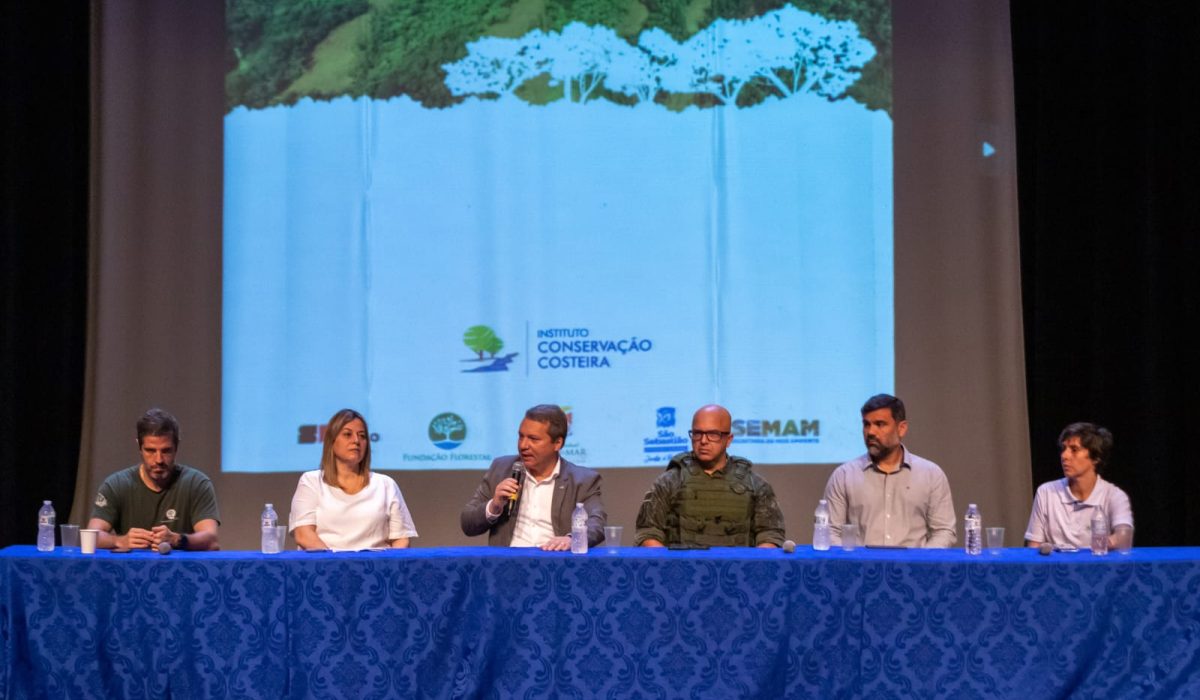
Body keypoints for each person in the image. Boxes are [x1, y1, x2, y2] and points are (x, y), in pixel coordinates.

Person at [635, 404, 785, 548]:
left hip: (738, 570)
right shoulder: (669, 481)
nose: (703, 441)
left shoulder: (755, 484)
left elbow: (770, 535)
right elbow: (648, 533)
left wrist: (749, 567)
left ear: (729, 439)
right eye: (697, 433)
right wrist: (671, 566)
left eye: (713, 434)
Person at [461, 404, 606, 550]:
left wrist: (572, 539)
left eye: (533, 439)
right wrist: (494, 505)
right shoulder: (501, 469)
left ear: (557, 443)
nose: (523, 445)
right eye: (521, 436)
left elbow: (597, 524)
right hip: (508, 563)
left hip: (555, 561)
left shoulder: (582, 480)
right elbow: (468, 524)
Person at [823, 394, 956, 548]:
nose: (871, 432)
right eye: (866, 424)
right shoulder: (844, 475)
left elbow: (944, 531)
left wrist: (921, 563)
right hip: (861, 569)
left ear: (901, 428)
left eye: (880, 424)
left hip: (915, 570)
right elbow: (829, 531)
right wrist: (853, 563)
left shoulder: (931, 474)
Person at [88, 408, 220, 550]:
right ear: (139, 447)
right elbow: (92, 536)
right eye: (150, 451)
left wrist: (177, 539)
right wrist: (119, 540)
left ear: (177, 447)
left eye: (166, 451)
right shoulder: (116, 485)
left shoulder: (196, 483)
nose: (159, 460)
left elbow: (212, 540)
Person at [290, 408, 417, 550]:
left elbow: (401, 539)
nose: (356, 441)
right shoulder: (311, 481)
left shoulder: (385, 484)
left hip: (376, 568)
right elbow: (303, 534)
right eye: (347, 434)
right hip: (326, 568)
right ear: (332, 441)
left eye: (362, 436)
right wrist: (336, 564)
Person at [1025, 422, 1133, 549]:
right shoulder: (1046, 492)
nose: (1064, 456)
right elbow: (1033, 547)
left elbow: (1124, 535)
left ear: (1096, 457)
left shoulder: (1114, 495)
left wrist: (1104, 543)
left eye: (1074, 450)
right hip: (1057, 568)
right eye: (1064, 449)